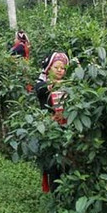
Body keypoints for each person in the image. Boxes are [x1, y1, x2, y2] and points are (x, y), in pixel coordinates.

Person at [34, 51, 69, 193]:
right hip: (50, 131)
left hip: (66, 130)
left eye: (63, 68)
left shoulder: (68, 84)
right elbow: (39, 90)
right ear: (49, 69)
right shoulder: (42, 84)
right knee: (53, 165)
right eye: (57, 67)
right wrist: (53, 84)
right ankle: (56, 196)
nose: (60, 70)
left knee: (67, 161)